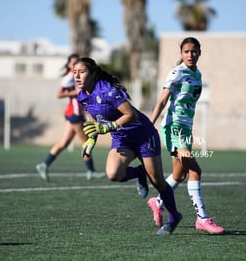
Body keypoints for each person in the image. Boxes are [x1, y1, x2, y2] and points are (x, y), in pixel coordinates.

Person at [74, 57, 182, 235]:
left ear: (93, 74)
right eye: (75, 73)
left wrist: (108, 126)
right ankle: (139, 172)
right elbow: (93, 117)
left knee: (158, 182)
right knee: (113, 174)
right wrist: (91, 139)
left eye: (82, 72)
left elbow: (131, 114)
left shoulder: (108, 90)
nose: (77, 76)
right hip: (122, 139)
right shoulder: (82, 95)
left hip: (143, 135)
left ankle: (173, 217)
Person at [147, 37, 225, 234]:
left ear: (200, 52)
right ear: (181, 53)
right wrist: (149, 126)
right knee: (195, 170)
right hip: (173, 127)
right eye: (186, 51)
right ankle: (202, 219)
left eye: (194, 51)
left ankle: (157, 202)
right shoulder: (177, 72)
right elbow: (162, 102)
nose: (190, 55)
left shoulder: (197, 74)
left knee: (179, 174)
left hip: (186, 130)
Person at [35, 53, 105, 181]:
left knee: (64, 143)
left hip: (75, 113)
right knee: (87, 142)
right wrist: (75, 92)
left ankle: (43, 165)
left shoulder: (78, 76)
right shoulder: (69, 77)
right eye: (73, 63)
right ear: (68, 65)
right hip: (75, 114)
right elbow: (59, 94)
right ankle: (91, 171)